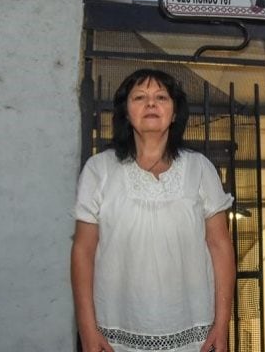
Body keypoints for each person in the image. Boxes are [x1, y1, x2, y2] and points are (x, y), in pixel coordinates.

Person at [71, 68, 236, 352]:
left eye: (161, 96)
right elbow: (82, 251)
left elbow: (220, 247)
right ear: (125, 113)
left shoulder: (200, 169)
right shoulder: (99, 170)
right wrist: (87, 331)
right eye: (139, 97)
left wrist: (221, 325)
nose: (151, 103)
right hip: (115, 334)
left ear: (174, 114)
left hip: (193, 333)